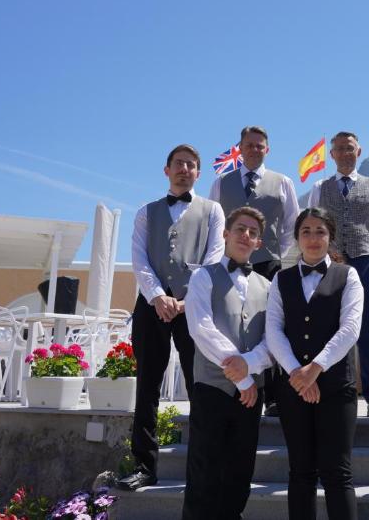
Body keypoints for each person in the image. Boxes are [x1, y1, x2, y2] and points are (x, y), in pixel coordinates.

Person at [119, 144, 225, 491]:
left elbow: (214, 257)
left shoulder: (213, 211)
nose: (185, 169)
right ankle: (144, 466)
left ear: (198, 173)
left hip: (193, 307)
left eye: (191, 165)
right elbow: (139, 259)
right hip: (151, 306)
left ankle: (203, 467)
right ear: (167, 170)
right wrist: (158, 297)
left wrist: (184, 300)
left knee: (200, 386)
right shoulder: (145, 213)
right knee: (147, 387)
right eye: (179, 163)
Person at [265, 207, 363, 520]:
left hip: (336, 387)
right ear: (296, 238)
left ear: (330, 237)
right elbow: (273, 330)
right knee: (301, 472)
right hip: (292, 386)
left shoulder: (348, 276)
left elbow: (350, 328)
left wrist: (315, 368)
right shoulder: (281, 280)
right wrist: (297, 372)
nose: (313, 238)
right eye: (305, 231)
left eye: (320, 231)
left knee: (337, 473)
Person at [182, 206, 274, 519]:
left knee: (240, 472)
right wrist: (241, 376)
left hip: (251, 395)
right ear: (225, 234)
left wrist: (251, 365)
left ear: (259, 243)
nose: (245, 236)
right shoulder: (202, 277)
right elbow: (201, 328)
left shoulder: (268, 286)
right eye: (240, 229)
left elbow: (272, 340)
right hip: (212, 388)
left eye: (253, 232)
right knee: (204, 472)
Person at [210, 125, 299, 417]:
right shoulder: (222, 183)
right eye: (249, 145)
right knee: (230, 323)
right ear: (240, 147)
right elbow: (215, 224)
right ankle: (230, 385)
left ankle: (272, 395)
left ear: (267, 150)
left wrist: (276, 252)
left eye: (260, 146)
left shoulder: (282, 182)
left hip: (268, 263)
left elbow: (291, 225)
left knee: (270, 326)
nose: (254, 150)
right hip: (228, 264)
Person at [307, 131, 369, 418]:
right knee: (326, 325)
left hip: (364, 261)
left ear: (359, 151)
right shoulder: (320, 187)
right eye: (339, 149)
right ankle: (326, 390)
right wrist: (326, 254)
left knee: (365, 329)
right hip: (329, 263)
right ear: (332, 155)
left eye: (350, 148)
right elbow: (314, 225)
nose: (345, 153)